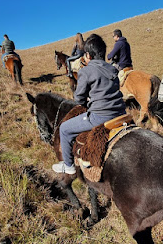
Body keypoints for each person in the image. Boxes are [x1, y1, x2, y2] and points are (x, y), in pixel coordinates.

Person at [52, 33, 126, 175]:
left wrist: (87, 99)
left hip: (100, 116)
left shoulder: (85, 71)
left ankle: (68, 165)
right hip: (120, 113)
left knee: (64, 129)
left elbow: (79, 99)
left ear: (88, 55)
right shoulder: (113, 69)